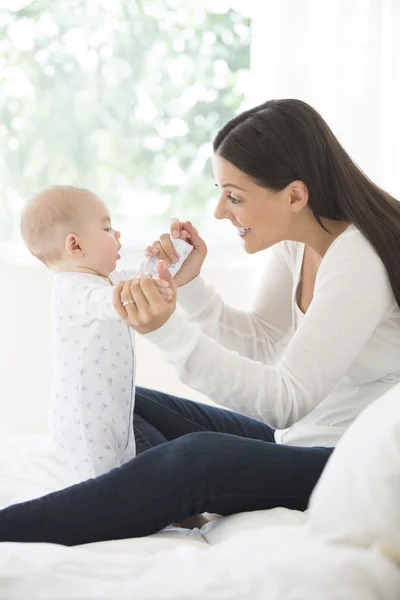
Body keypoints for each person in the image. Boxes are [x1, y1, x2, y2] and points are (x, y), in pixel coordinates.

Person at [1, 98, 400, 546]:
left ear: (294, 195)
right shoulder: (300, 241)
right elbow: (266, 342)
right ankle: (132, 500)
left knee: (195, 459)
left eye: (234, 196)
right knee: (120, 397)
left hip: (341, 457)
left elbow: (287, 400)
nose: (218, 211)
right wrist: (187, 287)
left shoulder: (359, 257)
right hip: (292, 438)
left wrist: (166, 330)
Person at [20, 185, 190, 481]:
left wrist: (169, 257)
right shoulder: (72, 288)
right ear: (75, 246)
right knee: (105, 483)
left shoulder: (105, 280)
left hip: (112, 407)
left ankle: (175, 510)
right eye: (107, 227)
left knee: (131, 465)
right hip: (84, 417)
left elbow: (141, 279)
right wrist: (139, 290)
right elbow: (109, 301)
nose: (118, 234)